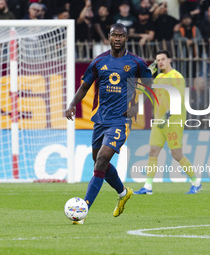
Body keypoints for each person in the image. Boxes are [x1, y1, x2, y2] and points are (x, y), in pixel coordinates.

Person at [65, 23, 153, 224]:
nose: (117, 39)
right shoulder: (99, 62)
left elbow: (150, 85)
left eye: (121, 36)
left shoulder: (136, 62)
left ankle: (83, 210)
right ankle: (123, 193)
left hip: (121, 120)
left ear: (126, 38)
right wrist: (72, 104)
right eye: (114, 35)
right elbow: (84, 86)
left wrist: (137, 107)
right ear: (109, 37)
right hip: (100, 119)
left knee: (103, 160)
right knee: (99, 162)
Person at [134, 50, 202, 195]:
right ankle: (148, 187)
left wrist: (168, 115)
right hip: (159, 121)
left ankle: (196, 183)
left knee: (176, 154)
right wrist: (148, 74)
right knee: (153, 152)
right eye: (158, 60)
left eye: (163, 59)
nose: (160, 62)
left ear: (169, 60)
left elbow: (179, 99)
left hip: (173, 121)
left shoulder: (177, 77)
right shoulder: (158, 77)